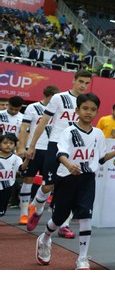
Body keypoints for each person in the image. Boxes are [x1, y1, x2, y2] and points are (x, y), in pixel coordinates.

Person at [34, 93, 115, 269]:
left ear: (97, 111)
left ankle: (82, 258)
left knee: (86, 217)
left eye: (93, 109)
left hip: (88, 179)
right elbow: (61, 154)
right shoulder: (69, 131)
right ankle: (44, 238)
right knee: (58, 219)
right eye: (85, 108)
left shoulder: (98, 133)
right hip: (66, 178)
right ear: (77, 110)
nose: (89, 112)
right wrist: (69, 165)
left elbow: (101, 158)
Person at [26, 69, 93, 237]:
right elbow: (43, 122)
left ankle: (64, 224)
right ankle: (38, 209)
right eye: (81, 82)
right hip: (55, 145)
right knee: (48, 185)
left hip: (75, 148)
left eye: (86, 83)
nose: (83, 86)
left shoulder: (86, 101)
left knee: (70, 187)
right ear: (74, 80)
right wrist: (32, 145)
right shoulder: (58, 98)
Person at [17, 85, 60, 225]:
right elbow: (24, 128)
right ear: (47, 96)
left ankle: (36, 208)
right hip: (35, 148)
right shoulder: (33, 108)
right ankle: (23, 213)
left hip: (51, 148)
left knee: (49, 182)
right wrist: (23, 146)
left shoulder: (58, 109)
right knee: (28, 179)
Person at [0, 134, 29, 218]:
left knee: (2, 210)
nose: (8, 145)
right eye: (5, 143)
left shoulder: (16, 158)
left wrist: (27, 159)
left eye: (11, 143)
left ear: (15, 146)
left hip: (8, 186)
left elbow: (21, 168)